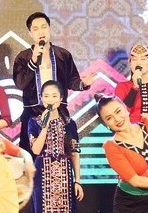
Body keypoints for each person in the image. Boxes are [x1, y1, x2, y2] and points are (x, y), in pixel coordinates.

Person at [13, 12, 95, 153]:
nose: (41, 32)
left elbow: (72, 80)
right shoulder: (23, 57)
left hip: (59, 111)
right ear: (30, 33)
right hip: (32, 112)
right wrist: (33, 62)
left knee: (65, 152)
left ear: (49, 28)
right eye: (36, 29)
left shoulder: (63, 54)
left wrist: (83, 83)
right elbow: (20, 83)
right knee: (30, 154)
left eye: (44, 27)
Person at [28, 81, 82, 213]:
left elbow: (75, 153)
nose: (50, 99)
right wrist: (44, 125)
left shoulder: (70, 123)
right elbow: (35, 149)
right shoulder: (34, 122)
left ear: (61, 99)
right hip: (43, 174)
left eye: (54, 96)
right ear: (42, 99)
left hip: (65, 174)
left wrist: (78, 180)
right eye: (46, 96)